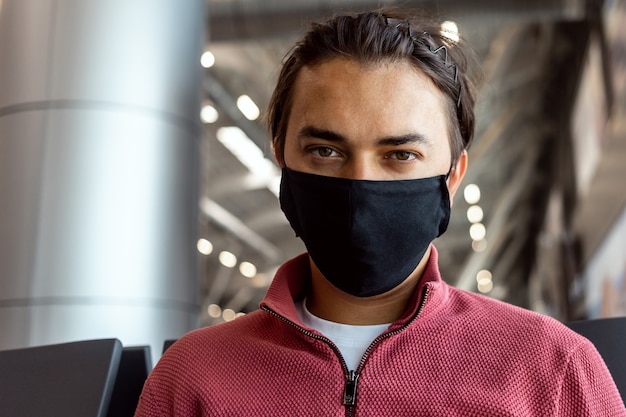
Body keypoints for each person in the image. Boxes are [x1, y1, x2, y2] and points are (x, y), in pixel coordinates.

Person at [134, 8, 625, 416]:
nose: (361, 183)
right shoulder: (191, 380)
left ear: (453, 176)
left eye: (400, 155)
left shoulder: (552, 371)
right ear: (282, 158)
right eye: (326, 151)